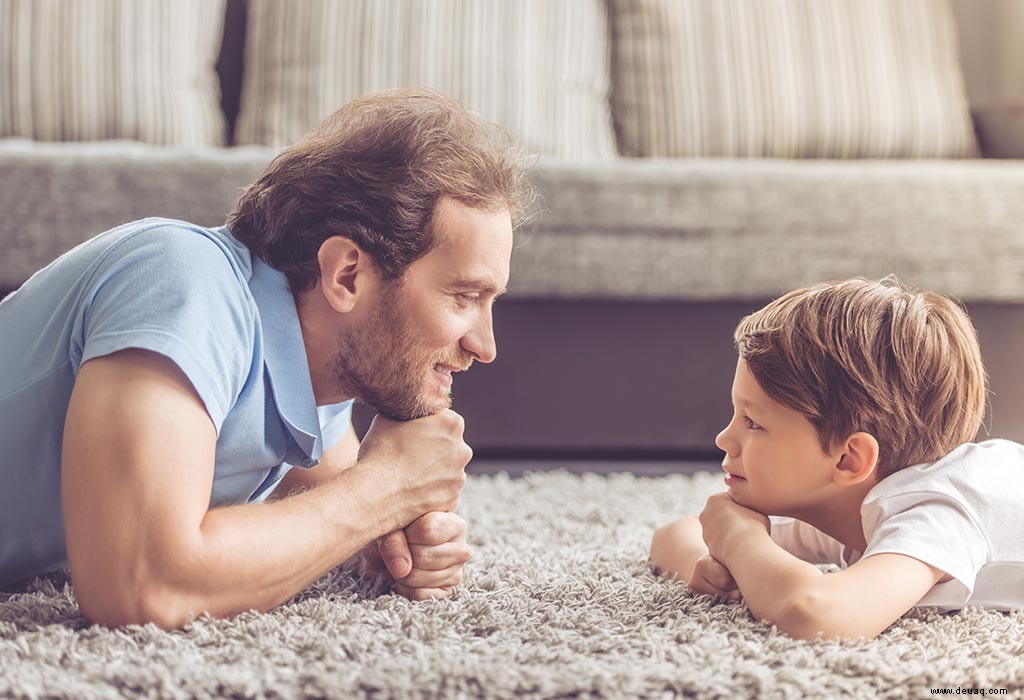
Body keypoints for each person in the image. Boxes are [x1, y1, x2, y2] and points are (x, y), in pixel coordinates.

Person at [0, 89, 530, 628]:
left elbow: (341, 504)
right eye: (464, 298)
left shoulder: (315, 377)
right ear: (347, 275)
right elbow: (139, 586)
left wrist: (393, 536)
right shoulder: (181, 281)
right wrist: (388, 487)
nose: (484, 347)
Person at [649, 278, 1024, 640]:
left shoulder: (935, 512)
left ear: (848, 460)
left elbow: (816, 615)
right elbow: (672, 535)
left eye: (753, 422)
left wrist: (739, 541)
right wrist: (712, 565)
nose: (723, 438)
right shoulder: (845, 503)